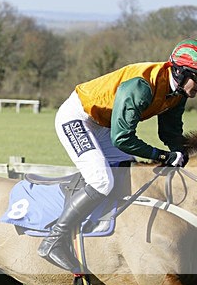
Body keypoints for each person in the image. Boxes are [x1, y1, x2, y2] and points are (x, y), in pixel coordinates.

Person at [37, 38, 196, 272]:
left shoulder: (178, 93)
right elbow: (122, 138)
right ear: (181, 72)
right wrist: (163, 157)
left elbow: (170, 133)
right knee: (102, 180)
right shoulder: (141, 87)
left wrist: (184, 156)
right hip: (78, 117)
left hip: (105, 124)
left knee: (128, 177)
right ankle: (53, 241)